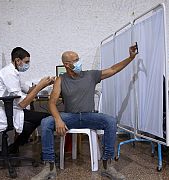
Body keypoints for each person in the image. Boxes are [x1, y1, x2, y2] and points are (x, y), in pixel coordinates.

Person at [32, 45, 138, 180]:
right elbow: (52, 102)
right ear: (67, 64)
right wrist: (58, 120)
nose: (79, 62)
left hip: (89, 116)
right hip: (70, 117)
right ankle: (49, 168)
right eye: (75, 60)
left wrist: (130, 57)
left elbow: (113, 69)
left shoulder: (91, 75)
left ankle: (107, 166)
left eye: (78, 59)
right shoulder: (61, 79)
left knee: (111, 121)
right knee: (46, 122)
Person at [0, 47, 54, 154]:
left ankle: (13, 148)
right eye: (26, 62)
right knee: (47, 118)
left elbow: (28, 90)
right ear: (17, 60)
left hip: (9, 110)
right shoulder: (9, 74)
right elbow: (22, 104)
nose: (27, 65)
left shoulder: (13, 72)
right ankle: (47, 154)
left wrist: (45, 84)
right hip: (3, 113)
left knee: (32, 122)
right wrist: (40, 86)